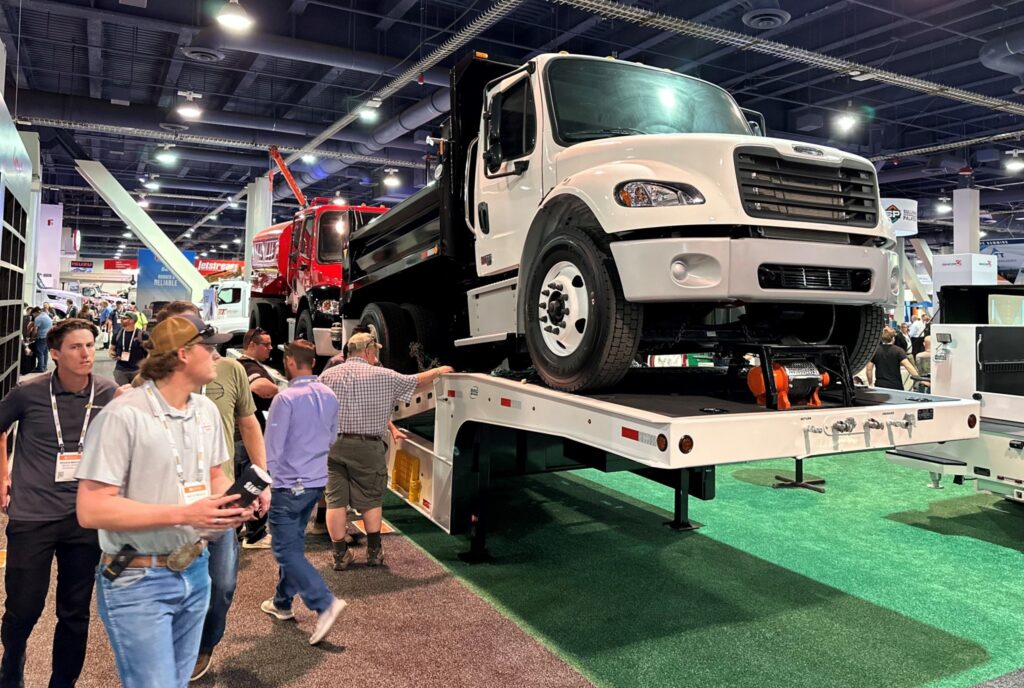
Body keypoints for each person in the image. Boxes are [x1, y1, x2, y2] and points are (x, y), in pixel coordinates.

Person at [76, 314, 250, 688]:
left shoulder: (204, 411)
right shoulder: (123, 415)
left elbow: (215, 477)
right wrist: (184, 513)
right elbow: (91, 509)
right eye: (211, 347)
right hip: (137, 579)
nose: (218, 356)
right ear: (184, 354)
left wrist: (230, 505)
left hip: (194, 569)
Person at [151, 302, 270, 681]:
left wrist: (261, 478)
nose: (212, 348)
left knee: (223, 585)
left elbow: (248, 425)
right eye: (202, 337)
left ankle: (204, 644)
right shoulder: (142, 391)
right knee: (167, 583)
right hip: (167, 505)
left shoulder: (230, 371)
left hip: (218, 497)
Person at [0, 318, 118, 688]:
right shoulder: (27, 392)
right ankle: (11, 667)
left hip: (84, 517)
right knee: (23, 609)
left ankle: (62, 683)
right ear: (54, 354)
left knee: (74, 613)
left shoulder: (108, 392)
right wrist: (3, 474)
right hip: (32, 516)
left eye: (89, 345)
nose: (86, 353)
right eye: (75, 347)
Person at [319, 332, 453, 570]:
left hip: (332, 446)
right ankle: (373, 553)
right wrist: (442, 370)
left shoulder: (327, 376)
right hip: (367, 446)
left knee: (335, 501)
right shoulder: (384, 375)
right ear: (369, 351)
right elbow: (417, 380)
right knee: (371, 499)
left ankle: (340, 555)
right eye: (375, 351)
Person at [260, 340, 347, 643]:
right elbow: (333, 435)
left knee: (285, 549)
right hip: (315, 482)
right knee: (293, 545)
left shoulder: (285, 399)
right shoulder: (329, 394)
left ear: (291, 362)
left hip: (288, 485)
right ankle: (282, 603)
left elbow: (273, 447)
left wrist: (265, 484)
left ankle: (324, 603)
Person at [236, 327, 281, 547]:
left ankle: (239, 529)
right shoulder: (249, 367)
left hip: (240, 436)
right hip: (246, 438)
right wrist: (281, 392)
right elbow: (259, 386)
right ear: (252, 345)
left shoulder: (239, 365)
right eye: (266, 344)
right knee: (252, 481)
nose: (270, 348)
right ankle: (256, 534)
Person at [866, 327, 920, 391]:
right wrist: (919, 379)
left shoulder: (875, 351)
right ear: (893, 338)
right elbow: (908, 366)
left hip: (880, 385)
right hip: (895, 385)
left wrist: (870, 383)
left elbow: (869, 369)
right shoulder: (899, 351)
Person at [111, 311, 147, 385]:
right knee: (123, 393)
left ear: (132, 321)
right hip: (120, 370)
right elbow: (112, 348)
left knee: (136, 394)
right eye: (121, 318)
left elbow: (149, 353)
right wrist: (113, 354)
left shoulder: (142, 335)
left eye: (124, 318)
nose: (121, 320)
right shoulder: (117, 334)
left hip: (137, 371)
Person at [34, 304, 54, 372]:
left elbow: (35, 330)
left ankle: (40, 368)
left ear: (35, 312)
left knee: (40, 352)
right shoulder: (46, 315)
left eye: (33, 314)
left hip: (41, 337)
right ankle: (44, 366)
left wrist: (32, 337)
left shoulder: (38, 318)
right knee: (45, 352)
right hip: (47, 336)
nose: (33, 316)